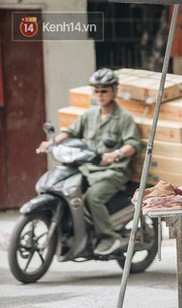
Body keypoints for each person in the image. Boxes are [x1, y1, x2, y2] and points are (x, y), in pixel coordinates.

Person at [36, 68, 141, 256]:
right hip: (87, 169)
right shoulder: (89, 115)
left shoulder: (123, 118)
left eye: (104, 90)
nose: (100, 95)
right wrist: (52, 142)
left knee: (93, 197)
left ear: (114, 91)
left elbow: (133, 143)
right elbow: (71, 131)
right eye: (97, 90)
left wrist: (116, 154)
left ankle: (109, 236)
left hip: (113, 172)